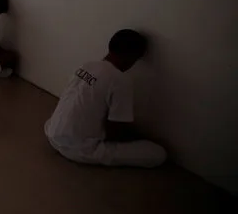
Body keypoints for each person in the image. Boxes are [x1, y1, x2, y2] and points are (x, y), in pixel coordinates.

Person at [44, 29, 167, 168]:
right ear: (132, 56)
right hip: (79, 148)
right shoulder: (120, 80)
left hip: (52, 134)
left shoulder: (87, 65)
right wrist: (143, 137)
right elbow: (116, 132)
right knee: (158, 153)